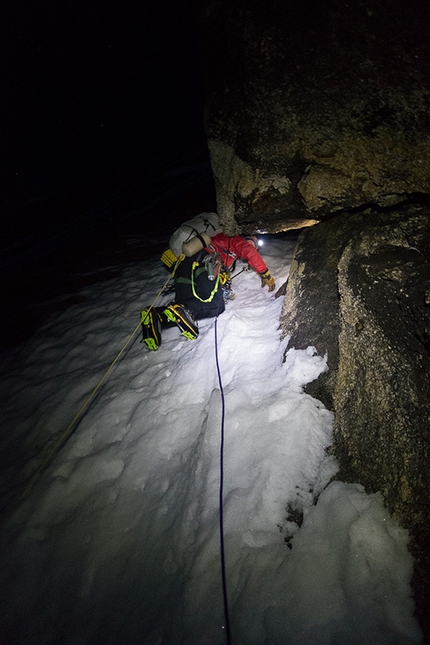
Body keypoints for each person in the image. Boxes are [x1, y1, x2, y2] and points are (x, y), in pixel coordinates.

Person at [141, 232, 276, 350]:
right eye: (253, 242)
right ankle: (183, 309)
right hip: (203, 263)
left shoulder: (223, 246)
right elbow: (249, 252)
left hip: (184, 265)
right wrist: (265, 273)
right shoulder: (235, 239)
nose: (253, 246)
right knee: (216, 305)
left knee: (183, 308)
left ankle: (158, 316)